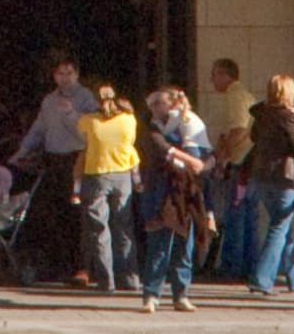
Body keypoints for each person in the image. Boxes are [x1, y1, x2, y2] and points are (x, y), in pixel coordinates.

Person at [13, 54, 97, 285]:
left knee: (78, 215)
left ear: (77, 74)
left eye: (70, 73)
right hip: (53, 160)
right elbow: (39, 129)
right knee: (53, 214)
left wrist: (71, 114)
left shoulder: (86, 98)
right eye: (60, 73)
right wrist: (23, 151)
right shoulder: (49, 100)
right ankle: (59, 265)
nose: (65, 78)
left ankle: (83, 268)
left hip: (77, 160)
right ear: (54, 76)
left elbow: (91, 132)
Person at [138, 86, 212, 313]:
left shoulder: (189, 124)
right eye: (152, 105)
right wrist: (193, 162)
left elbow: (208, 156)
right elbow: (163, 149)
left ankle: (181, 294)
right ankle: (151, 295)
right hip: (161, 192)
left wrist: (203, 165)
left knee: (184, 244)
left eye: (159, 104)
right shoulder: (151, 128)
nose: (155, 108)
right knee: (159, 244)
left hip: (187, 192)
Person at [243, 74, 294, 296]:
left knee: (284, 229)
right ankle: (262, 280)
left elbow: (253, 138)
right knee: (279, 228)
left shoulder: (261, 115)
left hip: (262, 175)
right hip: (285, 177)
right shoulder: (287, 116)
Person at [74, 81, 141, 295]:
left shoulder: (88, 121)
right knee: (124, 226)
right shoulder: (129, 120)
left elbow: (82, 142)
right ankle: (130, 277)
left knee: (99, 229)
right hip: (123, 175)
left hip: (97, 174)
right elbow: (131, 143)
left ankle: (106, 281)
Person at [199, 60, 254, 282]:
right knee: (241, 215)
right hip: (241, 161)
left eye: (214, 75)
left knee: (235, 215)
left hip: (239, 162)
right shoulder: (241, 96)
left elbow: (239, 129)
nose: (211, 80)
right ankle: (240, 265)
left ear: (225, 75)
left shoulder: (235, 95)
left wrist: (221, 157)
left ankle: (233, 266)